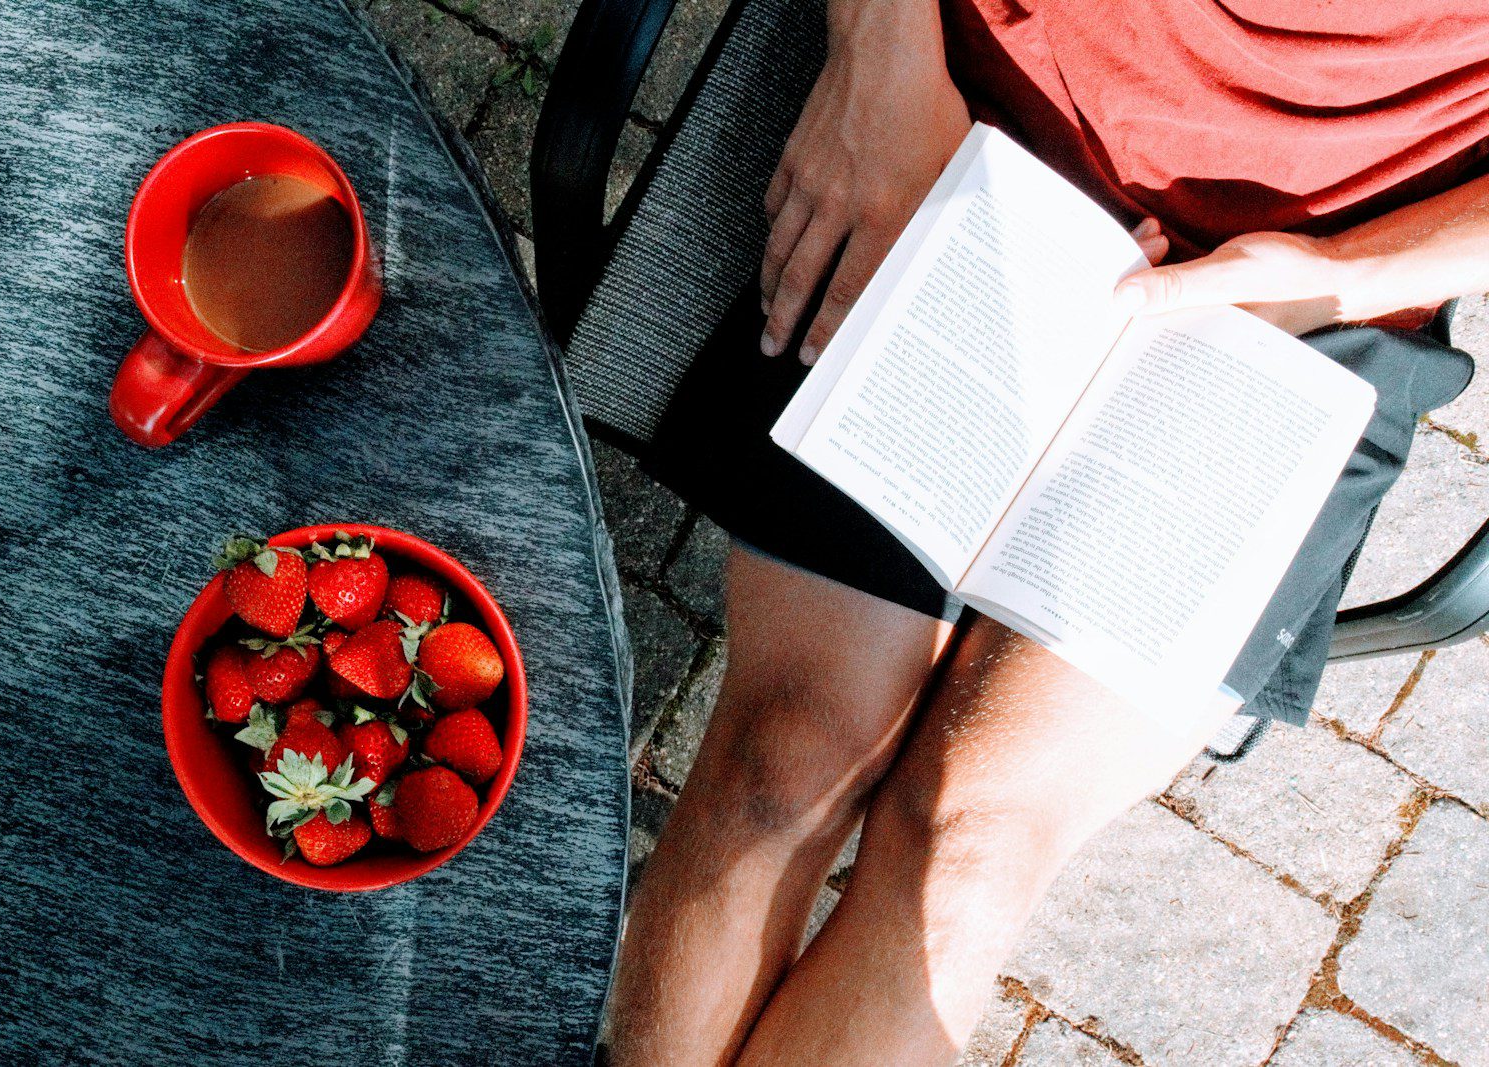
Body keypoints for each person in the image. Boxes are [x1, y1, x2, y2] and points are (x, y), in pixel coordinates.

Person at [604, 0, 1485, 1062]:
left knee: (967, 849)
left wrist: (1343, 274)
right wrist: (878, 51)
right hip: (979, 145)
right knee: (783, 757)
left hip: (1316, 295)